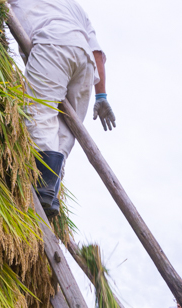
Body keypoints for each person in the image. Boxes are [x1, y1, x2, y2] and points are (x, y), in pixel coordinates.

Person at [8, 0, 117, 218]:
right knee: (67, 127)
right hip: (84, 60)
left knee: (40, 111)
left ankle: (44, 187)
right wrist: (102, 96)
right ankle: (51, 185)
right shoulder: (73, 7)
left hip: (51, 45)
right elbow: (97, 52)